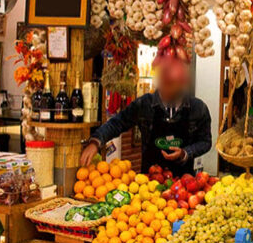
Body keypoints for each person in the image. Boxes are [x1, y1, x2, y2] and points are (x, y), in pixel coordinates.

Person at [80, 59, 212, 176]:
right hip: (148, 187)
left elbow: (205, 142)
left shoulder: (198, 109)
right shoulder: (144, 104)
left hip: (184, 186)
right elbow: (117, 123)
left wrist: (185, 153)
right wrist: (96, 142)